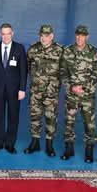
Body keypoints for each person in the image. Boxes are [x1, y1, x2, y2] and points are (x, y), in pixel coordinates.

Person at [0, 23, 27, 154]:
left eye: (8, 33)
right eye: (3, 33)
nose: (6, 36)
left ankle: (10, 144)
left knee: (13, 116)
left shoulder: (19, 48)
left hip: (14, 90)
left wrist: (22, 89)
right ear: (0, 34)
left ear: (12, 33)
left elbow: (23, 70)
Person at [61, 25, 97, 163]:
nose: (79, 37)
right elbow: (63, 72)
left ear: (87, 37)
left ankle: (89, 152)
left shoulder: (93, 51)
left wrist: (84, 88)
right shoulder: (68, 51)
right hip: (71, 95)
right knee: (69, 123)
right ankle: (69, 149)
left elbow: (96, 73)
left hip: (87, 95)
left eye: (82, 35)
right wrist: (72, 87)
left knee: (89, 124)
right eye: (77, 35)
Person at [26, 25, 63, 157]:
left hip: (51, 93)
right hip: (36, 91)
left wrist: (56, 86)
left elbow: (64, 71)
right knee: (34, 117)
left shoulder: (60, 51)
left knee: (51, 118)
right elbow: (28, 67)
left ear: (52, 36)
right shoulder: (33, 49)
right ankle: (34, 143)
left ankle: (49, 145)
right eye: (42, 35)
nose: (44, 38)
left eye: (47, 35)